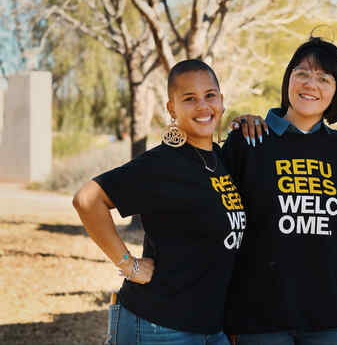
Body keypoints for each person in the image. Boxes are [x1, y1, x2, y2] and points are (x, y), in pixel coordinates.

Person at [73, 60, 243, 345]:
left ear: (221, 100)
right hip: (158, 326)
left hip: (211, 327)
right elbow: (87, 199)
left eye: (210, 96)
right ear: (172, 109)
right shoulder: (163, 163)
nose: (203, 106)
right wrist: (129, 265)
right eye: (189, 99)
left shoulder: (221, 159)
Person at [222, 37, 337, 345]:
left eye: (324, 78)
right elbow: (224, 225)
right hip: (259, 318)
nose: (311, 84)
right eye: (303, 73)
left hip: (330, 317)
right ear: (289, 78)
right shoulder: (247, 141)